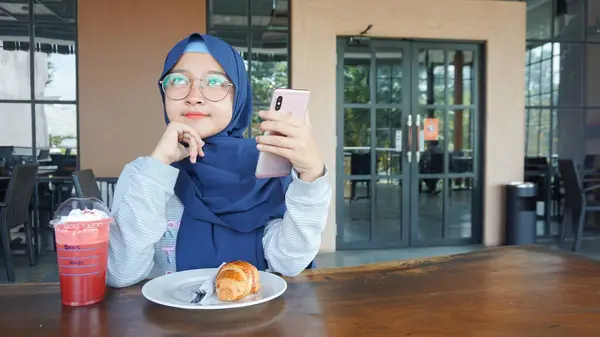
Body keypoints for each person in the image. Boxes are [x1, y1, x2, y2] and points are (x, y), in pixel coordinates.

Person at [106, 33, 331, 288]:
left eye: (215, 81)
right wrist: (159, 166)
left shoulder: (269, 167)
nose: (194, 95)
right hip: (170, 323)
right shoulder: (144, 174)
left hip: (258, 323)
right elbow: (121, 274)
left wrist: (311, 176)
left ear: (238, 96)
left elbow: (288, 263)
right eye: (178, 80)